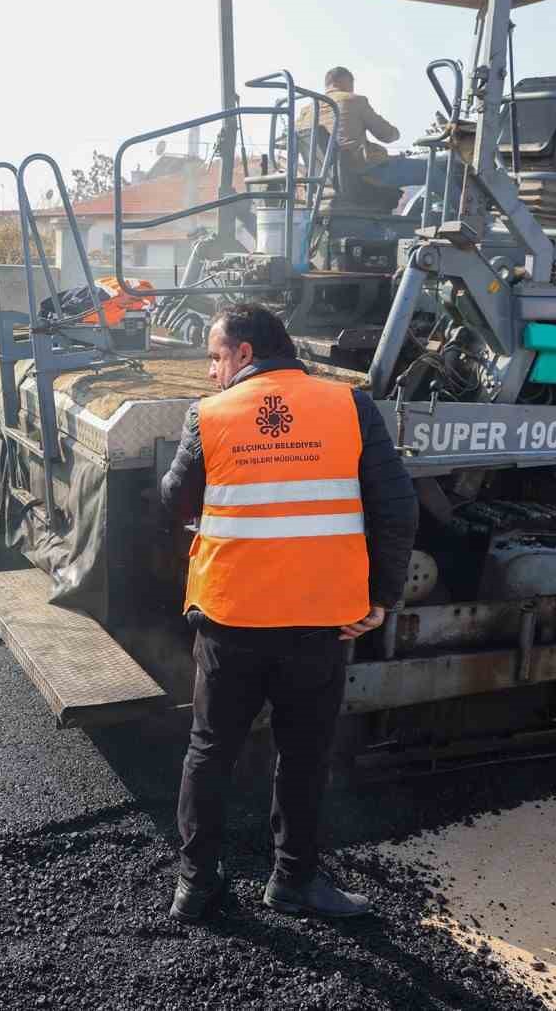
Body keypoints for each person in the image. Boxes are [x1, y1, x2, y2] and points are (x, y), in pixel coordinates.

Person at [159, 303, 418, 923]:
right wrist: (380, 599)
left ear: (244, 353)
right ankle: (293, 882)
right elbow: (397, 506)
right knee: (303, 754)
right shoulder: (350, 406)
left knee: (210, 749)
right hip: (319, 621)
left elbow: (175, 496)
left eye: (216, 358)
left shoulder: (208, 414)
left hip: (230, 618)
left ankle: (195, 886)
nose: (212, 372)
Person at [295, 66, 420, 208]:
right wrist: (396, 133)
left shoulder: (307, 111)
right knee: (431, 170)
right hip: (362, 173)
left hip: (325, 184)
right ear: (346, 81)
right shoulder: (354, 100)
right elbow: (387, 135)